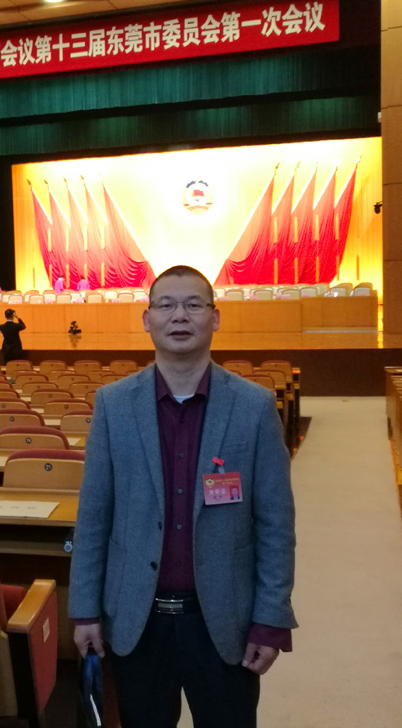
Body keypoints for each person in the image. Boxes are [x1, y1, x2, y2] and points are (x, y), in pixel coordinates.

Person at [69, 265, 296, 728]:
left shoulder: (253, 407)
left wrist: (270, 618)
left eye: (194, 304)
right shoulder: (113, 405)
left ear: (215, 318)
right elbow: (93, 518)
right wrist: (85, 609)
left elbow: (276, 525)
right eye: (166, 305)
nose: (179, 315)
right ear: (146, 318)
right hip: (136, 620)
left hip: (225, 621)